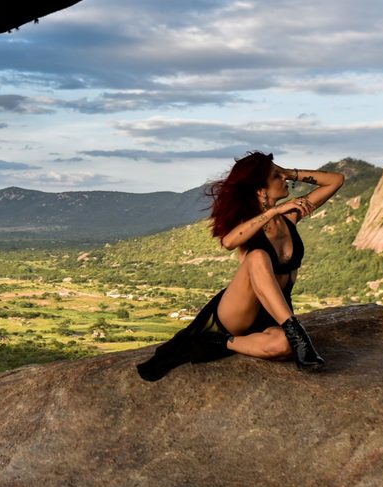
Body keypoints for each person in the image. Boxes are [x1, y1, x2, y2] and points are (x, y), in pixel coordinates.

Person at [136, 152, 344, 381]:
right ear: (260, 190)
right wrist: (273, 211)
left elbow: (335, 180)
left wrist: (287, 171)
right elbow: (228, 242)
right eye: (277, 176)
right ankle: (297, 332)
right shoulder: (250, 225)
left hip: (273, 313)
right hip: (239, 312)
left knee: (283, 346)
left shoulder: (290, 218)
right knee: (257, 256)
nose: (284, 180)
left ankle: (220, 342)